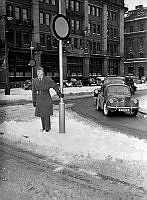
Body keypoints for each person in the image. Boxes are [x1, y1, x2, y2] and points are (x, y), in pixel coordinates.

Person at [32, 67, 64, 132]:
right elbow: (34, 92)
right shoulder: (34, 80)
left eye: (40, 71)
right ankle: (43, 127)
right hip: (39, 98)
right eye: (38, 72)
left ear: (43, 72)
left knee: (46, 113)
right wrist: (34, 101)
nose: (39, 73)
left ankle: (47, 128)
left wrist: (58, 93)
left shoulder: (47, 79)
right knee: (41, 114)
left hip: (46, 97)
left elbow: (54, 86)